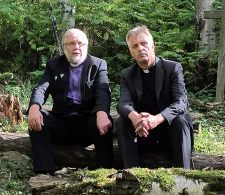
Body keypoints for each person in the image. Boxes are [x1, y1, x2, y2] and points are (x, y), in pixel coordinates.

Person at [27, 28, 113, 174]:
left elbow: (103, 92)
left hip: (88, 124)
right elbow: (41, 89)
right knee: (39, 119)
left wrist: (102, 112)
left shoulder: (98, 64)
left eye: (81, 43)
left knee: (104, 120)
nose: (76, 47)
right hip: (62, 123)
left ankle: (104, 173)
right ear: (64, 46)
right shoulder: (54, 65)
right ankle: (44, 172)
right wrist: (34, 107)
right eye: (71, 43)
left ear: (87, 46)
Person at [117, 26, 193, 169]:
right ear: (131, 52)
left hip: (171, 134)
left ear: (152, 46)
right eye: (135, 46)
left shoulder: (172, 68)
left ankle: (184, 177)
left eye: (144, 43)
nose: (140, 48)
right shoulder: (128, 74)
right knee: (122, 122)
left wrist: (157, 119)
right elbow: (122, 103)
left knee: (181, 120)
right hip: (144, 134)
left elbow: (181, 102)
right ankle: (131, 173)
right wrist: (135, 117)